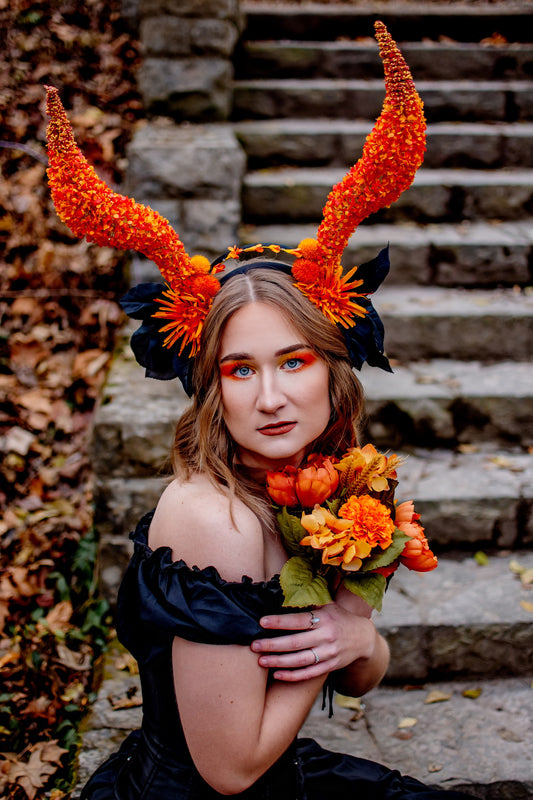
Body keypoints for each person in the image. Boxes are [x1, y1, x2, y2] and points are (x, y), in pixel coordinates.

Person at [45, 22, 474, 800]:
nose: (269, 397)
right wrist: (341, 630)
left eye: (293, 361)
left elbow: (361, 669)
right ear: (209, 386)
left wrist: (356, 629)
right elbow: (230, 767)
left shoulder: (334, 482)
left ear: (333, 370)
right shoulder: (215, 521)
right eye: (239, 369)